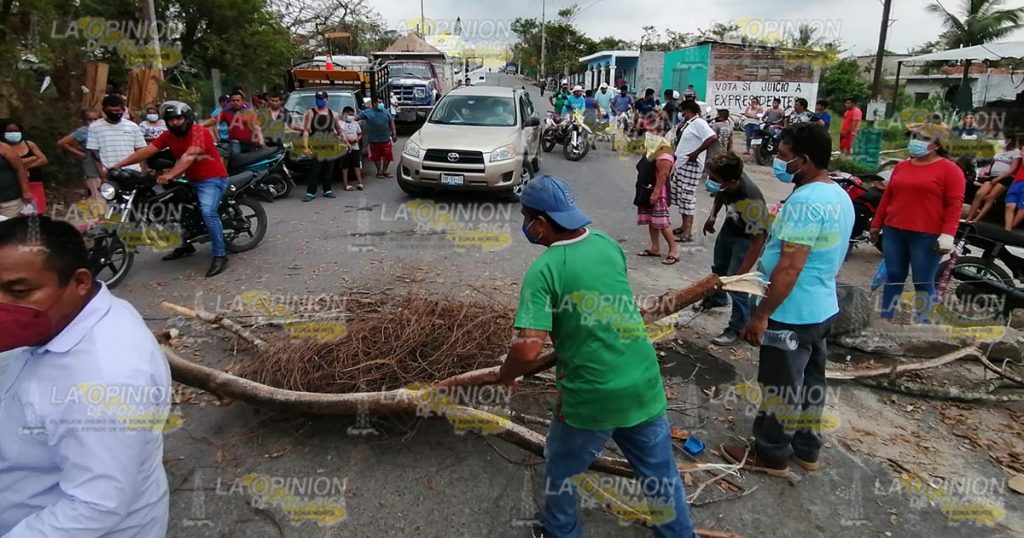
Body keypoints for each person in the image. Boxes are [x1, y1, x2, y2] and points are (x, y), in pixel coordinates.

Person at [496, 175, 699, 538]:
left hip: (592, 397)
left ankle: (561, 532)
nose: (526, 226)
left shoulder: (544, 270)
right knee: (660, 476)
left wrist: (506, 372)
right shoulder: (606, 243)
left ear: (540, 223)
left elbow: (527, 349)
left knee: (561, 468)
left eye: (527, 218)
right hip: (642, 382)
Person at [0, 216, 171, 535]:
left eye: (19, 291)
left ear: (79, 282)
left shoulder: (103, 381)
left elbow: (94, 506)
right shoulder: (67, 317)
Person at [720, 122, 854, 476]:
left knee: (780, 385)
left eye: (783, 157)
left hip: (791, 312)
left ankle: (771, 454)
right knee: (811, 383)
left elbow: (790, 267)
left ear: (805, 161)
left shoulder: (807, 202)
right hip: (822, 307)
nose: (778, 163)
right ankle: (808, 449)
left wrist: (761, 315)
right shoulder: (838, 194)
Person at [112, 101, 232, 278]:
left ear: (187, 118)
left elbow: (188, 157)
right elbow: (147, 151)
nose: (175, 122)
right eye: (171, 119)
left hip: (212, 180)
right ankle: (185, 245)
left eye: (179, 118)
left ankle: (220, 255)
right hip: (189, 179)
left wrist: (171, 174)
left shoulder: (200, 132)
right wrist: (118, 165)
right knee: (167, 207)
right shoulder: (168, 136)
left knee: (208, 212)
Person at [870, 123, 964, 322]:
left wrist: (948, 234)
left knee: (922, 281)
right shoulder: (902, 166)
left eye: (922, 138)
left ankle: (924, 324)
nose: (915, 141)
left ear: (937, 145)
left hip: (927, 236)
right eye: (914, 136)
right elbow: (888, 196)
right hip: (894, 231)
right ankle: (886, 318)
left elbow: (954, 205)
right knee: (894, 275)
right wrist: (877, 223)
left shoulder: (950, 170)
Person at [698, 153, 768, 345]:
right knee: (719, 269)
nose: (709, 181)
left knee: (736, 283)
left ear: (732, 181)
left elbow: (758, 241)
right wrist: (712, 216)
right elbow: (720, 194)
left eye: (714, 179)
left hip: (747, 238)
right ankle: (718, 298)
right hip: (731, 226)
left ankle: (738, 328)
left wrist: (742, 272)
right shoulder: (726, 182)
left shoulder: (751, 201)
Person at [671, 100, 718, 242]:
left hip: (691, 164)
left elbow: (712, 137)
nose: (681, 114)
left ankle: (688, 231)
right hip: (683, 164)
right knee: (682, 197)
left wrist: (696, 153)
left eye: (683, 111)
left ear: (688, 110)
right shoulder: (689, 123)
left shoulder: (699, 123)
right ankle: (684, 225)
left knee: (687, 197)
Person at [635, 134, 679, 265]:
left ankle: (674, 251)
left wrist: (655, 193)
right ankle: (655, 247)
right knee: (651, 220)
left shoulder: (664, 154)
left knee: (662, 223)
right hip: (646, 189)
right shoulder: (653, 149)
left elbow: (663, 175)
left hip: (658, 193)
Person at [87, 94, 147, 181]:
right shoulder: (95, 127)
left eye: (117, 110)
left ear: (123, 110)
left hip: (133, 172)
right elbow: (94, 153)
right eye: (110, 110)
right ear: (104, 110)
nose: (114, 113)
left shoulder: (132, 126)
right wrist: (103, 175)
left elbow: (141, 150)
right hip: (110, 173)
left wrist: (142, 171)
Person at [969, 136, 1021, 223]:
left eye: (1006, 140)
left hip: (1005, 177)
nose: (1004, 142)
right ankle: (970, 217)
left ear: (1011, 140)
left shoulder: (1016, 152)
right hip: (992, 175)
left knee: (991, 197)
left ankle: (977, 219)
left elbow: (1013, 168)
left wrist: (999, 178)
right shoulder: (1001, 151)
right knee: (979, 194)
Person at [302, 91, 342, 201]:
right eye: (318, 98)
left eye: (322, 98)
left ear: (326, 100)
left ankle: (327, 190)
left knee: (328, 170)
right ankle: (311, 192)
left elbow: (339, 129)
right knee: (315, 170)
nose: (320, 100)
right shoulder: (311, 113)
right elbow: (306, 131)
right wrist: (305, 146)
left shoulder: (332, 113)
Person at [203, 90, 265, 157]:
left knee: (255, 160)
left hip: (251, 143)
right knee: (235, 158)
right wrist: (197, 126)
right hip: (235, 142)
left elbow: (257, 127)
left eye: (238, 100)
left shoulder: (249, 112)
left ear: (243, 101)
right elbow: (212, 120)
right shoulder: (226, 112)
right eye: (233, 100)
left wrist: (261, 140)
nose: (235, 102)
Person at [58, 110, 103, 199]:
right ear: (85, 120)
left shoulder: (102, 130)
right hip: (91, 165)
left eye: (96, 119)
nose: (93, 122)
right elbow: (62, 143)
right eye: (90, 119)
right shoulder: (83, 131)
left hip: (103, 163)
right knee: (93, 188)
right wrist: (79, 153)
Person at [359, 96, 398, 179]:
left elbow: (391, 122)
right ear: (374, 103)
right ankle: (379, 172)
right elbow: (357, 118)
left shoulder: (386, 112)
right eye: (379, 102)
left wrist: (394, 133)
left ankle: (385, 171)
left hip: (386, 139)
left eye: (382, 102)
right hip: (374, 140)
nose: (381, 104)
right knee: (376, 157)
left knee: (388, 156)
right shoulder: (367, 112)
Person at [0, 140, 32, 218]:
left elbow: (20, 168)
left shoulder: (3, 148)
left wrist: (26, 190)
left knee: (10, 228)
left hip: (9, 200)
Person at [338, 105, 364, 192]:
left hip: (355, 146)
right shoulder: (341, 123)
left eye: (352, 115)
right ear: (344, 114)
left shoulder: (355, 123)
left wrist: (357, 139)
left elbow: (360, 134)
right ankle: (345, 184)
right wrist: (347, 141)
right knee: (345, 166)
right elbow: (339, 134)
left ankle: (360, 183)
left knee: (357, 164)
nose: (351, 116)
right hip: (344, 147)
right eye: (349, 114)